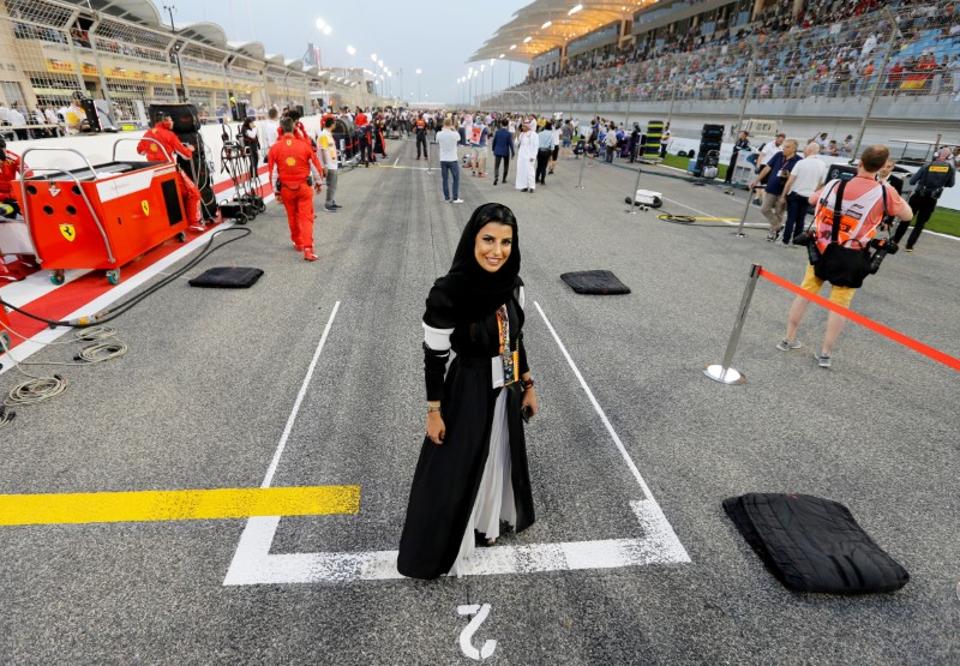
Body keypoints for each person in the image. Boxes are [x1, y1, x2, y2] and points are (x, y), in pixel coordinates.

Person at [397, 202, 538, 579]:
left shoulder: (514, 286)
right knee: (455, 466)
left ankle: (486, 523)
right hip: (468, 389)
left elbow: (515, 340)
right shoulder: (448, 292)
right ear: (471, 240)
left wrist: (527, 383)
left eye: (506, 242)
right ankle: (441, 545)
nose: (497, 251)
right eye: (488, 239)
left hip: (505, 389)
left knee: (496, 456)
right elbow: (434, 358)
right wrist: (434, 411)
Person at [778, 145, 912, 369]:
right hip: (851, 255)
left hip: (820, 250)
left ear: (860, 161)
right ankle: (825, 353)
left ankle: (788, 338)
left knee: (805, 293)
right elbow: (907, 214)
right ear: (882, 167)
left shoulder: (835, 184)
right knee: (839, 305)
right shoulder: (885, 191)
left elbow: (813, 199)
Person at [267, 117, 324, 261]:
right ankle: (308, 249)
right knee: (306, 218)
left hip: (286, 189)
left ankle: (298, 242)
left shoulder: (274, 148)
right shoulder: (304, 145)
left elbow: (273, 173)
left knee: (292, 217)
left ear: (280, 129)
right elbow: (315, 167)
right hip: (304, 187)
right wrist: (319, 183)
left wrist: (276, 192)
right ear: (294, 128)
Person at [136, 113, 202, 229]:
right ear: (165, 121)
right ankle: (194, 222)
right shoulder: (169, 135)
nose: (173, 122)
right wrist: (190, 149)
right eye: (171, 120)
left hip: (153, 173)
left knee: (165, 200)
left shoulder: (147, 134)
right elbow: (186, 155)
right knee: (194, 193)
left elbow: (140, 151)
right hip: (170, 171)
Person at [892, 147, 956, 252]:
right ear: (949, 157)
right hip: (931, 199)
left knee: (906, 219)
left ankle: (895, 241)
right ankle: (909, 246)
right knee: (920, 224)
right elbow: (951, 184)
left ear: (936, 154)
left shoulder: (927, 165)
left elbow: (912, 181)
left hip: (918, 196)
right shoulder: (950, 169)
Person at [780, 142, 827, 246]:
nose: (804, 151)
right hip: (809, 196)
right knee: (801, 219)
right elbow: (821, 183)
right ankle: (796, 241)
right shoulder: (823, 165)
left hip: (795, 194)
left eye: (805, 149)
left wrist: (783, 195)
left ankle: (785, 240)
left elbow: (790, 181)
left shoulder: (801, 163)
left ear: (809, 150)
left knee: (791, 218)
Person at [753, 138, 801, 241]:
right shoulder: (778, 155)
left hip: (784, 191)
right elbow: (767, 168)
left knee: (779, 213)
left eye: (787, 147)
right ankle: (778, 226)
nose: (784, 148)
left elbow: (797, 178)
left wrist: (789, 176)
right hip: (771, 188)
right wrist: (757, 180)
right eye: (784, 146)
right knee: (764, 209)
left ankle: (773, 233)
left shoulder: (798, 161)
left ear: (794, 149)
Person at [318, 117, 341, 212]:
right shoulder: (324, 135)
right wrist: (325, 166)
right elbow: (323, 150)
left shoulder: (327, 134)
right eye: (334, 123)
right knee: (331, 184)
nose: (335, 125)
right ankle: (328, 204)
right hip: (329, 164)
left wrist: (336, 152)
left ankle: (331, 201)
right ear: (331, 124)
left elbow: (328, 148)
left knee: (333, 184)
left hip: (332, 163)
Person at [437, 118, 463, 204]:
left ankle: (447, 198)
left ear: (443, 124)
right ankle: (455, 197)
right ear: (451, 124)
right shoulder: (454, 134)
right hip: (452, 158)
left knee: (445, 179)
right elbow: (459, 138)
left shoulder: (439, 134)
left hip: (443, 159)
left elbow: (437, 141)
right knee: (455, 179)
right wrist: (454, 129)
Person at [0, 137, 22, 217]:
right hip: (4, 197)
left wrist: (13, 195)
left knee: (12, 208)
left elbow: (28, 174)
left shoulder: (13, 157)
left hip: (10, 197)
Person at [514, 119, 537, 193]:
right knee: (522, 171)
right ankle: (524, 186)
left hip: (530, 157)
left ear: (528, 127)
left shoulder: (534, 135)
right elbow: (516, 144)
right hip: (522, 156)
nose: (522, 128)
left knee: (530, 172)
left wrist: (533, 157)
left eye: (523, 126)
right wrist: (517, 136)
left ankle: (532, 187)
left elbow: (535, 147)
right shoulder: (522, 134)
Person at [491, 118, 514, 186]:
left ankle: (496, 176)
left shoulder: (497, 132)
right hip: (505, 151)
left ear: (501, 124)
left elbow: (494, 141)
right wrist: (513, 152)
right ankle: (504, 179)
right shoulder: (508, 133)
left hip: (498, 151)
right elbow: (511, 143)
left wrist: (493, 149)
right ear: (507, 125)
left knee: (497, 165)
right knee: (506, 165)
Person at [240, 117, 260, 185]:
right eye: (251, 123)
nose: (253, 124)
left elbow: (256, 136)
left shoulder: (251, 129)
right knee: (253, 161)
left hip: (254, 146)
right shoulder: (245, 129)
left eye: (253, 122)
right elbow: (253, 135)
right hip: (249, 147)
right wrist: (255, 128)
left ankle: (255, 173)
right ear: (248, 123)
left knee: (256, 160)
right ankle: (252, 175)